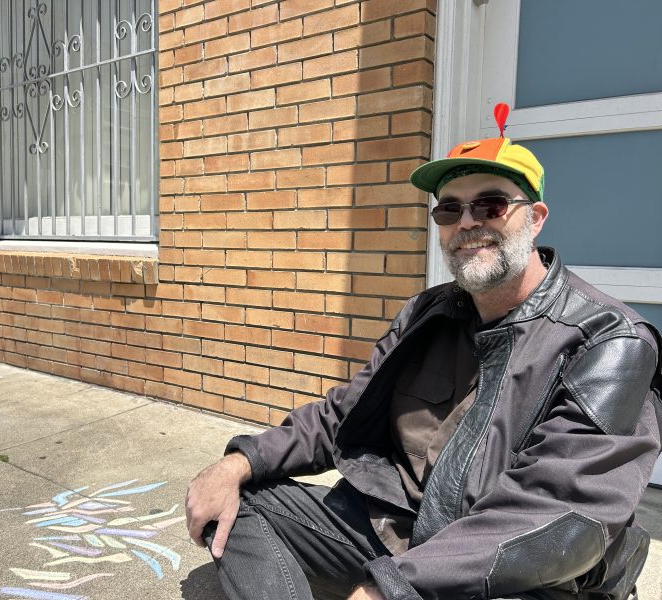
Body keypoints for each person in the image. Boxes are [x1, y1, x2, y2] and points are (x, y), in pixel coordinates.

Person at [185, 134, 662, 600]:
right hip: (398, 536)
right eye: (449, 209)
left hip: (519, 576)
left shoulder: (607, 340)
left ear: (535, 218)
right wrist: (239, 461)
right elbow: (343, 415)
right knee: (236, 502)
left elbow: (563, 513)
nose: (467, 222)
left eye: (491, 205)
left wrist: (388, 586)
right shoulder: (425, 314)